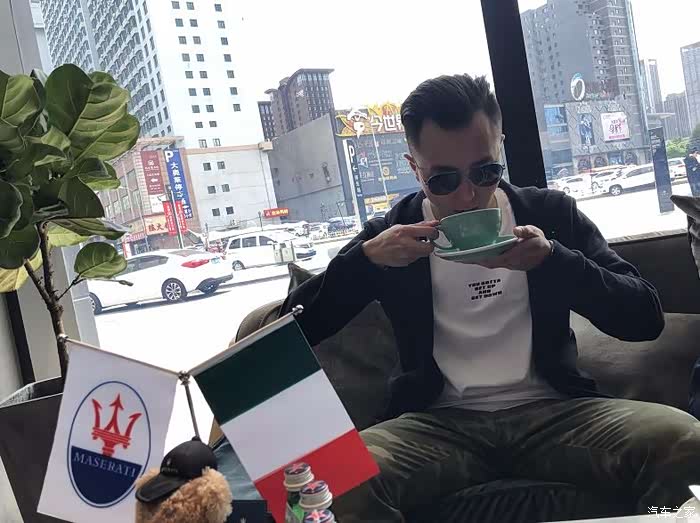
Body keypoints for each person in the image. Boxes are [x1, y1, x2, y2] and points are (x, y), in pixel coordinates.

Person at [281, 74, 700, 522]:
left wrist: (554, 261)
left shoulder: (549, 214)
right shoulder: (392, 235)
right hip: (435, 425)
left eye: (485, 172)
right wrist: (365, 261)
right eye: (443, 180)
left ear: (501, 148)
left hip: (557, 413)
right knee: (327, 481)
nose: (467, 196)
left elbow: (644, 318)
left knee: (686, 442)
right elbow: (288, 335)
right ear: (414, 168)